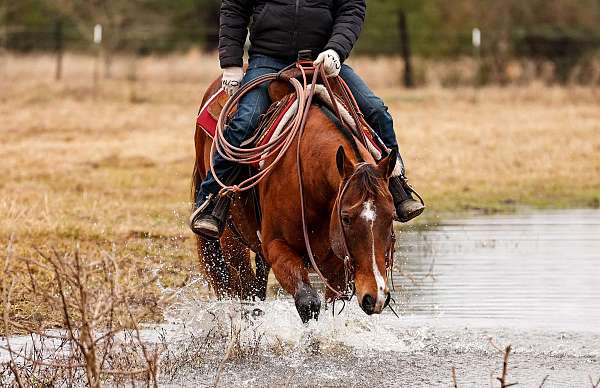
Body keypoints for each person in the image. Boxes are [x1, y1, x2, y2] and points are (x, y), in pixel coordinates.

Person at [190, 0, 424, 239]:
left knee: (376, 111)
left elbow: (351, 7)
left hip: (323, 61)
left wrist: (336, 50)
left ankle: (396, 184)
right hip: (268, 62)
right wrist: (231, 64)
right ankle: (211, 200)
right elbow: (235, 7)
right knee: (244, 123)